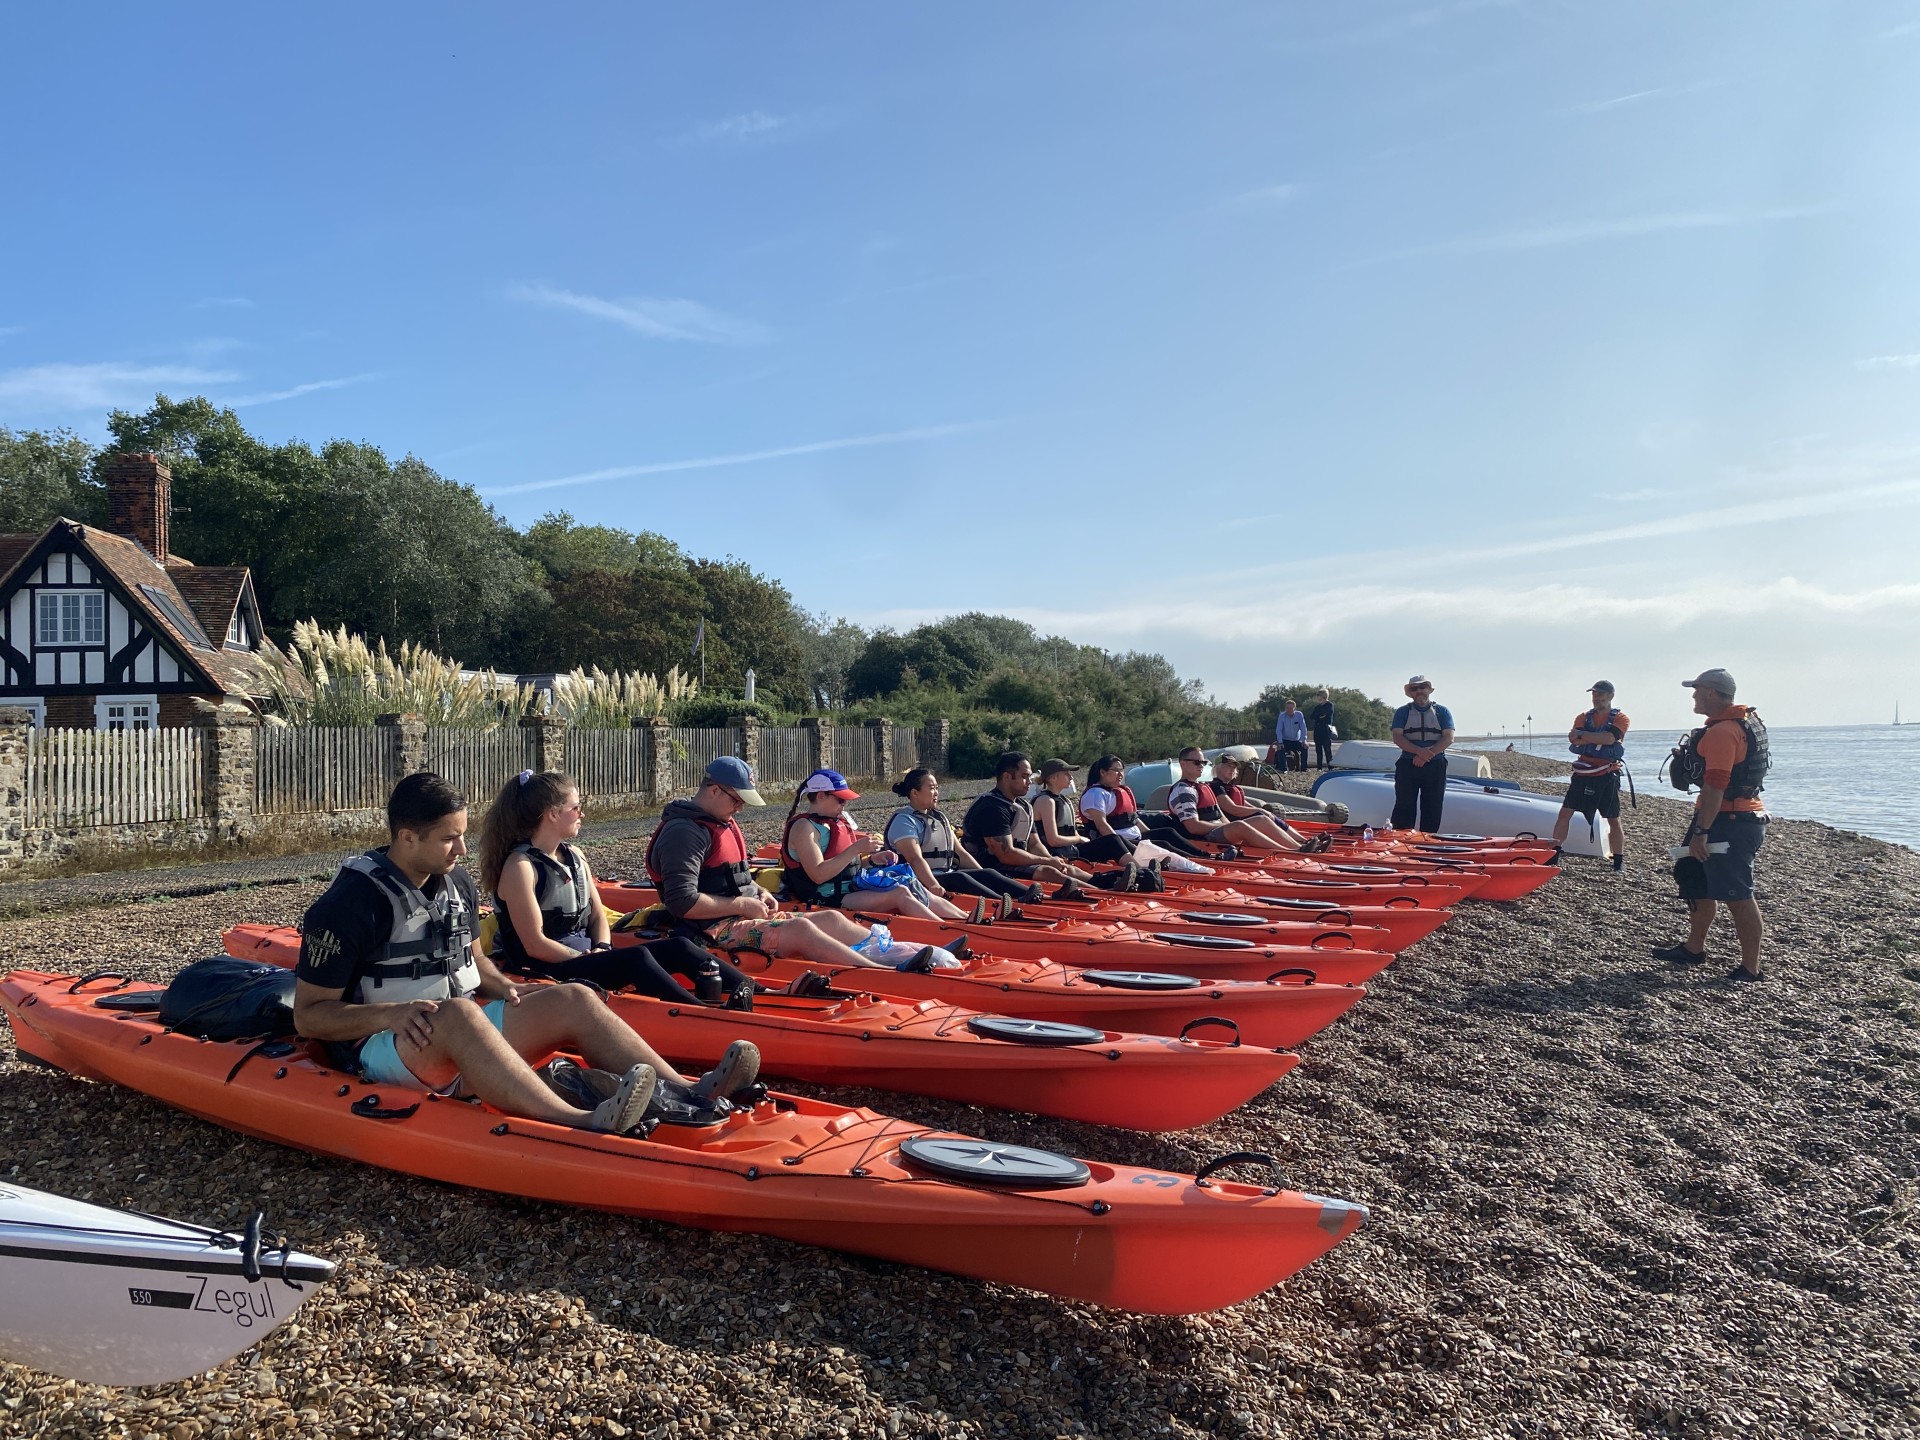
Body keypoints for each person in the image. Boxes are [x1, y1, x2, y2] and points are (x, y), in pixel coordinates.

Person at [293, 773, 759, 1134]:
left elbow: (472, 962)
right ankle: (577, 1120)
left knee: (572, 995)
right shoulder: (349, 904)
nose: (461, 848)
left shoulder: (453, 880)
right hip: (384, 1050)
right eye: (448, 838)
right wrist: (394, 1014)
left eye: (463, 834)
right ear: (407, 836)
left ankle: (686, 1090)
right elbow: (310, 1017)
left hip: (458, 1032)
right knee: (459, 1012)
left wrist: (511, 989)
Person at [481, 768, 754, 1008]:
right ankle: (698, 1013)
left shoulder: (574, 855)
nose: (582, 813)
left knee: (678, 947)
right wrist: (588, 958)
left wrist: (601, 948)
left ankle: (761, 992)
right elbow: (534, 944)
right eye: (576, 807)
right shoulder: (520, 867)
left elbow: (598, 916)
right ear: (552, 814)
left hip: (585, 956)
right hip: (545, 965)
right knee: (635, 958)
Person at [645, 756, 925, 971]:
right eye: (737, 799)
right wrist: (742, 905)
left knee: (831, 918)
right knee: (801, 930)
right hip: (709, 931)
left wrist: (758, 892)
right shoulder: (684, 832)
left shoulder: (720, 823)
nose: (741, 808)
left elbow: (734, 877)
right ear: (714, 790)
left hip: (741, 915)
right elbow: (682, 902)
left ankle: (900, 952)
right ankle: (881, 971)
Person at [1652, 669, 1770, 981]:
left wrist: (1702, 832)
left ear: (1713, 694)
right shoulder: (1737, 724)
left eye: (1698, 690)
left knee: (1737, 894)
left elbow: (1716, 786)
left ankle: (1750, 967)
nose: (1693, 695)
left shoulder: (1723, 732)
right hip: (1723, 816)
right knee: (1693, 878)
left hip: (1731, 820)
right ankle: (1693, 949)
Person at [781, 768, 973, 921]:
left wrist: (872, 860)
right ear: (821, 795)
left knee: (907, 882)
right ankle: (944, 928)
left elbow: (848, 868)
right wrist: (856, 848)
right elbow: (818, 874)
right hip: (826, 896)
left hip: (850, 887)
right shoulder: (804, 827)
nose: (844, 805)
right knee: (899, 894)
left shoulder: (833, 823)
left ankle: (965, 918)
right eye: (840, 799)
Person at [883, 767, 1040, 916]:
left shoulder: (939, 817)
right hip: (918, 878)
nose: (936, 792)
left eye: (937, 788)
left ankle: (1038, 897)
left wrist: (981, 873)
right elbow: (914, 859)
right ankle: (1006, 904)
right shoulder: (904, 821)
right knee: (960, 878)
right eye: (931, 788)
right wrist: (932, 885)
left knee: (989, 873)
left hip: (943, 873)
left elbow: (960, 853)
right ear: (914, 793)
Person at [960, 752, 1095, 898]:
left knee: (1067, 869)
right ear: (1006, 777)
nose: (1029, 782)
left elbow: (1034, 844)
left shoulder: (1023, 806)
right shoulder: (991, 807)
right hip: (991, 867)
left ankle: (1104, 886)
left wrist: (1053, 861)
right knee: (1048, 872)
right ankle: (1095, 895)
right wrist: (1047, 862)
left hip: (1018, 861)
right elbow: (1006, 855)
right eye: (1024, 777)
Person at [1160, 748, 1305, 853]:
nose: (1201, 766)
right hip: (1203, 837)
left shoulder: (1201, 787)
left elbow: (1219, 813)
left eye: (1203, 762)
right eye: (1197, 762)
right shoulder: (1183, 790)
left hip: (1217, 829)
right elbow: (1193, 827)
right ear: (1183, 763)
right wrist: (1231, 827)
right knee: (1241, 826)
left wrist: (1229, 826)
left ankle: (1299, 846)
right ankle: (1290, 852)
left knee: (1262, 820)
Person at [1553, 682, 1630, 872]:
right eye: (1595, 694)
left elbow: (1610, 739)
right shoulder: (1583, 717)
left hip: (1606, 775)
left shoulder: (1621, 718)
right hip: (1582, 774)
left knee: (1613, 818)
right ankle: (1554, 854)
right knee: (1565, 814)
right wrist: (1592, 736)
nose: (1597, 698)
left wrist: (1584, 735)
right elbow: (1573, 738)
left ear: (1611, 695)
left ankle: (1618, 861)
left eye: (1601, 695)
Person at [1031, 758, 1137, 864]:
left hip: (1071, 849)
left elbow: (1072, 832)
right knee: (1112, 841)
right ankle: (1141, 871)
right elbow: (1053, 840)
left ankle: (1144, 861)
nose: (1071, 777)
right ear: (1052, 778)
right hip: (1058, 854)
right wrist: (1079, 839)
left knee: (1114, 838)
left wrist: (1080, 839)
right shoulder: (1046, 801)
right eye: (1066, 774)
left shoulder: (1064, 800)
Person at [1389, 676, 1454, 833]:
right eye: (1414, 689)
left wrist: (1427, 755)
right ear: (1410, 693)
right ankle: (1402, 838)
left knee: (1433, 805)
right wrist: (1419, 752)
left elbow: (1448, 737)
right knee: (1404, 804)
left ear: (1429, 690)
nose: (1419, 691)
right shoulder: (1403, 712)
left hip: (1435, 764)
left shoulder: (1442, 711)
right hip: (1408, 763)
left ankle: (1428, 839)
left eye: (1422, 687)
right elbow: (1397, 736)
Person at [1275, 701, 1310, 772]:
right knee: (1280, 749)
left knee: (1304, 747)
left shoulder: (1299, 715)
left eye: (1291, 708)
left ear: (1295, 708)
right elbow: (1279, 729)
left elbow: (1303, 728)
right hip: (1285, 740)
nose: (1289, 710)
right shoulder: (1282, 716)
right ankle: (1283, 769)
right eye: (1287, 708)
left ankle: (1304, 768)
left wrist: (1304, 740)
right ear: (1285, 708)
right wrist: (1280, 742)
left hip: (1296, 740)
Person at [1308, 690, 1337, 770]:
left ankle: (1330, 767)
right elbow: (1312, 716)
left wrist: (1320, 716)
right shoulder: (1317, 707)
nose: (1318, 697)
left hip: (1326, 730)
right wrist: (1319, 716)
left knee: (1327, 749)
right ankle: (1319, 767)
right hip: (1317, 730)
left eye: (1319, 695)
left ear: (1323, 695)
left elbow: (1324, 714)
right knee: (1318, 749)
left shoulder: (1329, 705)